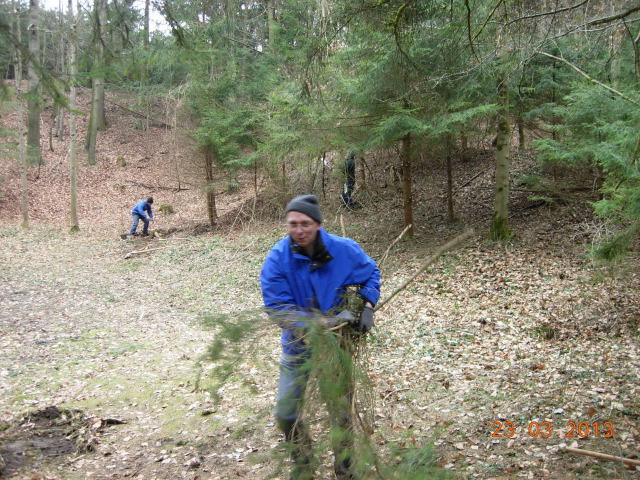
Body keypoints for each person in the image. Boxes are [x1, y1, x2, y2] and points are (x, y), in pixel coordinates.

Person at [260, 194, 381, 480]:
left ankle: (345, 469)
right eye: (293, 224)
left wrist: (367, 305)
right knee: (286, 413)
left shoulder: (343, 249)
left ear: (317, 223)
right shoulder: (278, 258)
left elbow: (371, 273)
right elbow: (277, 307)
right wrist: (322, 323)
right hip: (297, 346)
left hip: (336, 346)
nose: (299, 230)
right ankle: (303, 463)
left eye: (305, 223)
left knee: (341, 412)